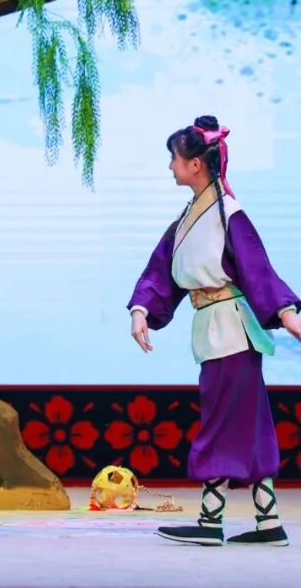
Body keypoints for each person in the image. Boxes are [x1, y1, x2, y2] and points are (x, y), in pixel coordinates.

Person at [128, 115, 301, 547]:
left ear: (195, 165)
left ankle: (210, 521)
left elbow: (257, 269)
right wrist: (141, 308)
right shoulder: (189, 217)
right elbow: (160, 269)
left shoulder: (229, 214)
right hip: (216, 331)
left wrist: (286, 314)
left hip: (231, 332)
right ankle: (269, 523)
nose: (170, 166)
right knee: (250, 423)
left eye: (173, 158)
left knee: (221, 422)